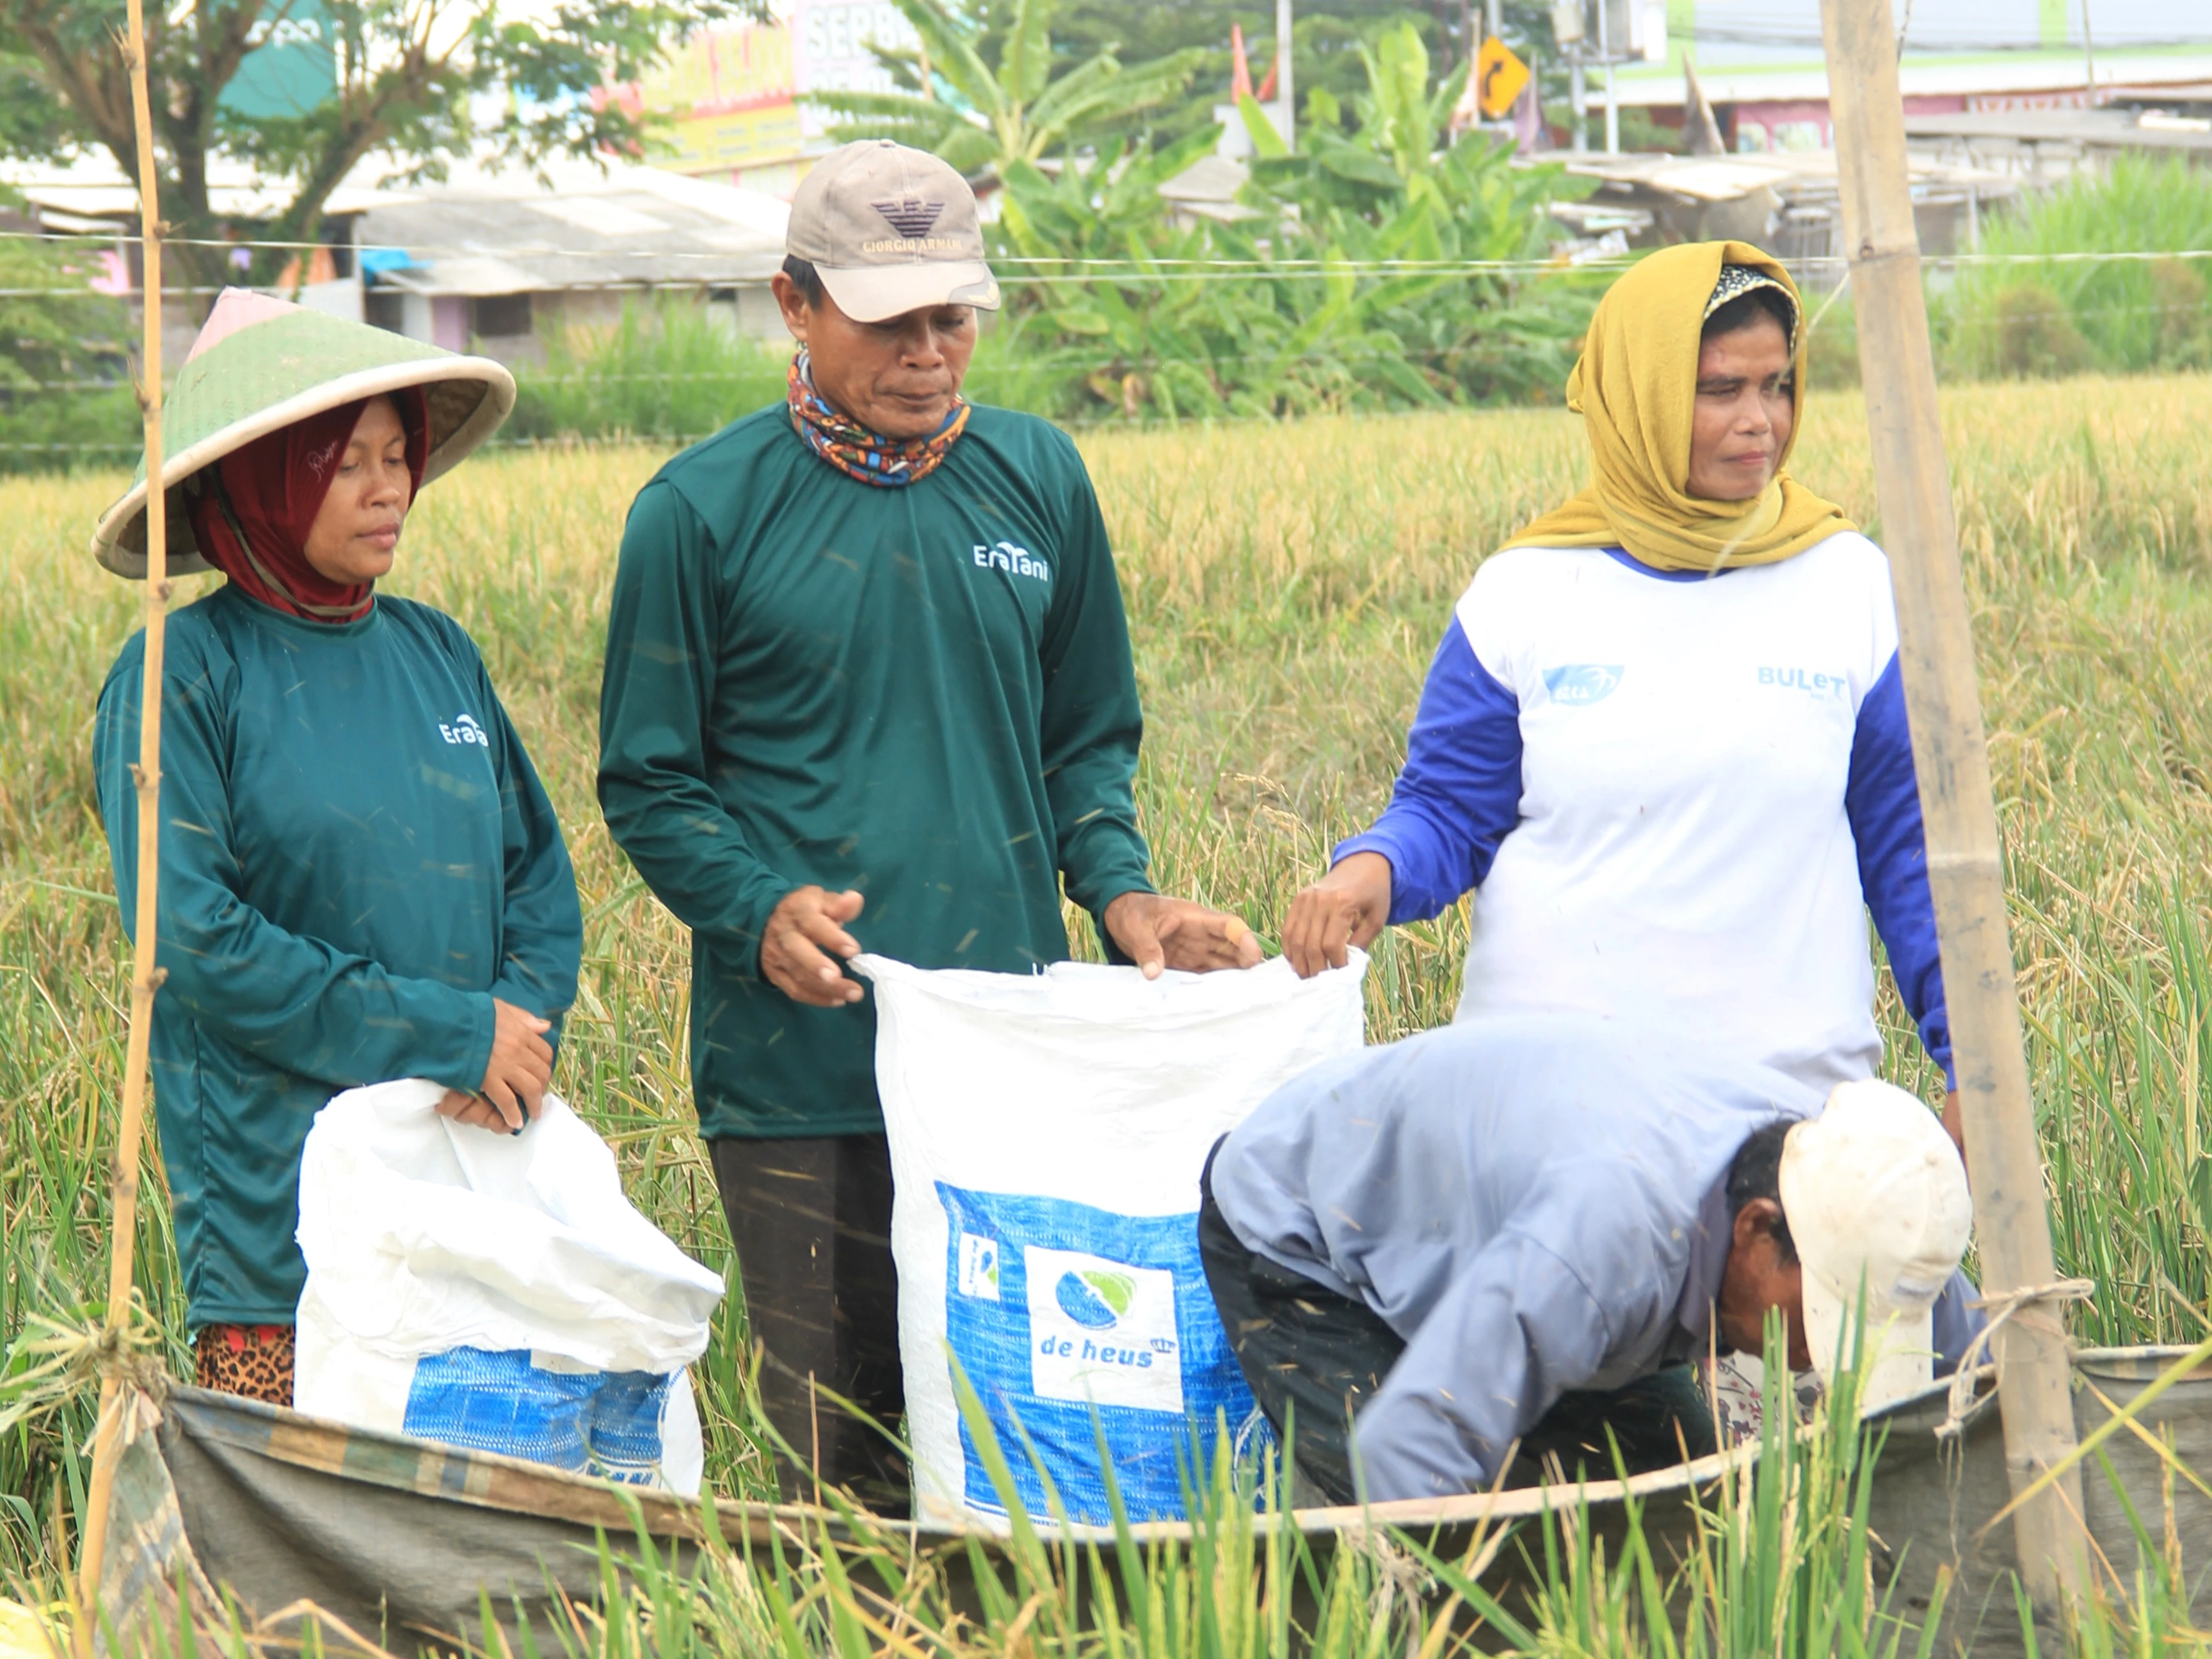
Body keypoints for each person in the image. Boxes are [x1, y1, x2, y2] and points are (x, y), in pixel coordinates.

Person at [597, 140, 1260, 1513]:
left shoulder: (1039, 481)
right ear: (794, 304)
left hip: (1003, 1062)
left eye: (952, 316)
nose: (929, 353)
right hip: (800, 1073)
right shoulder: (698, 514)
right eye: (890, 321)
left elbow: (1086, 737)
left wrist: (1124, 894)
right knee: (841, 1464)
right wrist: (751, 905)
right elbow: (649, 780)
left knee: (1020, 1441)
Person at [1282, 243, 1962, 1142]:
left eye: (1779, 385)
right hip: (1545, 1118)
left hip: (1785, 1124)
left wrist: (1972, 1068)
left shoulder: (1851, 587)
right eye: (1721, 389)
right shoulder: (1525, 592)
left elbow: (1914, 858)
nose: (1762, 420)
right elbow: (1448, 808)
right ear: (1636, 391)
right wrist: (1375, 866)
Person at [91, 289, 582, 1407]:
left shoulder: (437, 652)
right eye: (344, 461)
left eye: (396, 453)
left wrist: (514, 1028)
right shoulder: (181, 672)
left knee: (464, 1525)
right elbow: (195, 938)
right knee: (300, 1541)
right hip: (282, 1197)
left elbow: (539, 881)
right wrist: (452, 1030)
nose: (389, 486)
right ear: (264, 477)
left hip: (464, 1161)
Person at [1198, 1014, 1978, 1505]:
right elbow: (1407, 1454)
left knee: (1683, 1511)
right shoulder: (1600, 1251)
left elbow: (1965, 1357)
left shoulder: (1853, 1186)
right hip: (1307, 1234)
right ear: (1754, 1230)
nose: (1814, 1353)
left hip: (1507, 1239)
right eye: (1818, 1315)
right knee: (1492, 1551)